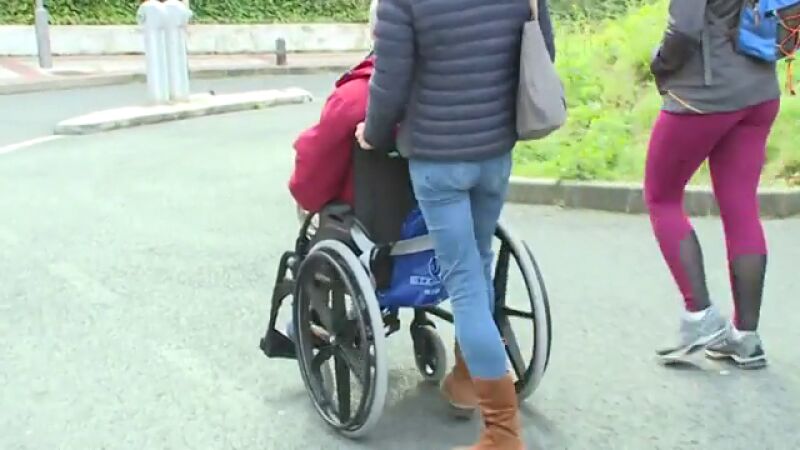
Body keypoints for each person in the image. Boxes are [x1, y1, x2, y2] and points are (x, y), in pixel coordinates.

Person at [356, 0, 554, 448]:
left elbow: (390, 81)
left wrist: (373, 134)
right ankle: (467, 378)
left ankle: (502, 433)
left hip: (438, 159)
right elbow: (542, 51)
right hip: (496, 151)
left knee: (463, 282)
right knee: (478, 263)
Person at [288, 0, 481, 413]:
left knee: (314, 214)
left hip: (374, 239)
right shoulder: (452, 90)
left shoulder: (355, 97)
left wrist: (306, 199)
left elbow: (314, 168)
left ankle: (311, 319)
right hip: (443, 230)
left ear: (376, 32)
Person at [647, 0, 781, 369]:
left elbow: (684, 30)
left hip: (703, 95)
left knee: (662, 197)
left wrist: (660, 63)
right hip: (759, 90)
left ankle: (699, 316)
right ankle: (745, 338)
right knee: (741, 207)